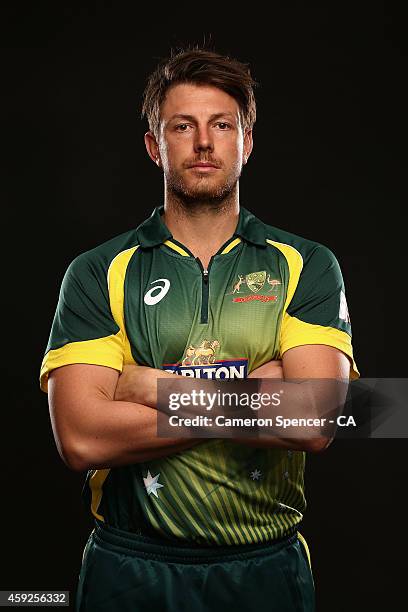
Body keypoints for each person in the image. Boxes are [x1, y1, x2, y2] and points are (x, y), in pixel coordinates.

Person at [40, 47, 359, 612]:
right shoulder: (97, 271)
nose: (204, 142)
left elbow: (315, 419)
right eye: (182, 126)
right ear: (153, 145)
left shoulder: (307, 263)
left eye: (222, 125)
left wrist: (150, 388)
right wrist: (255, 392)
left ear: (248, 141)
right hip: (130, 565)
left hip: (264, 567)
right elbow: (82, 438)